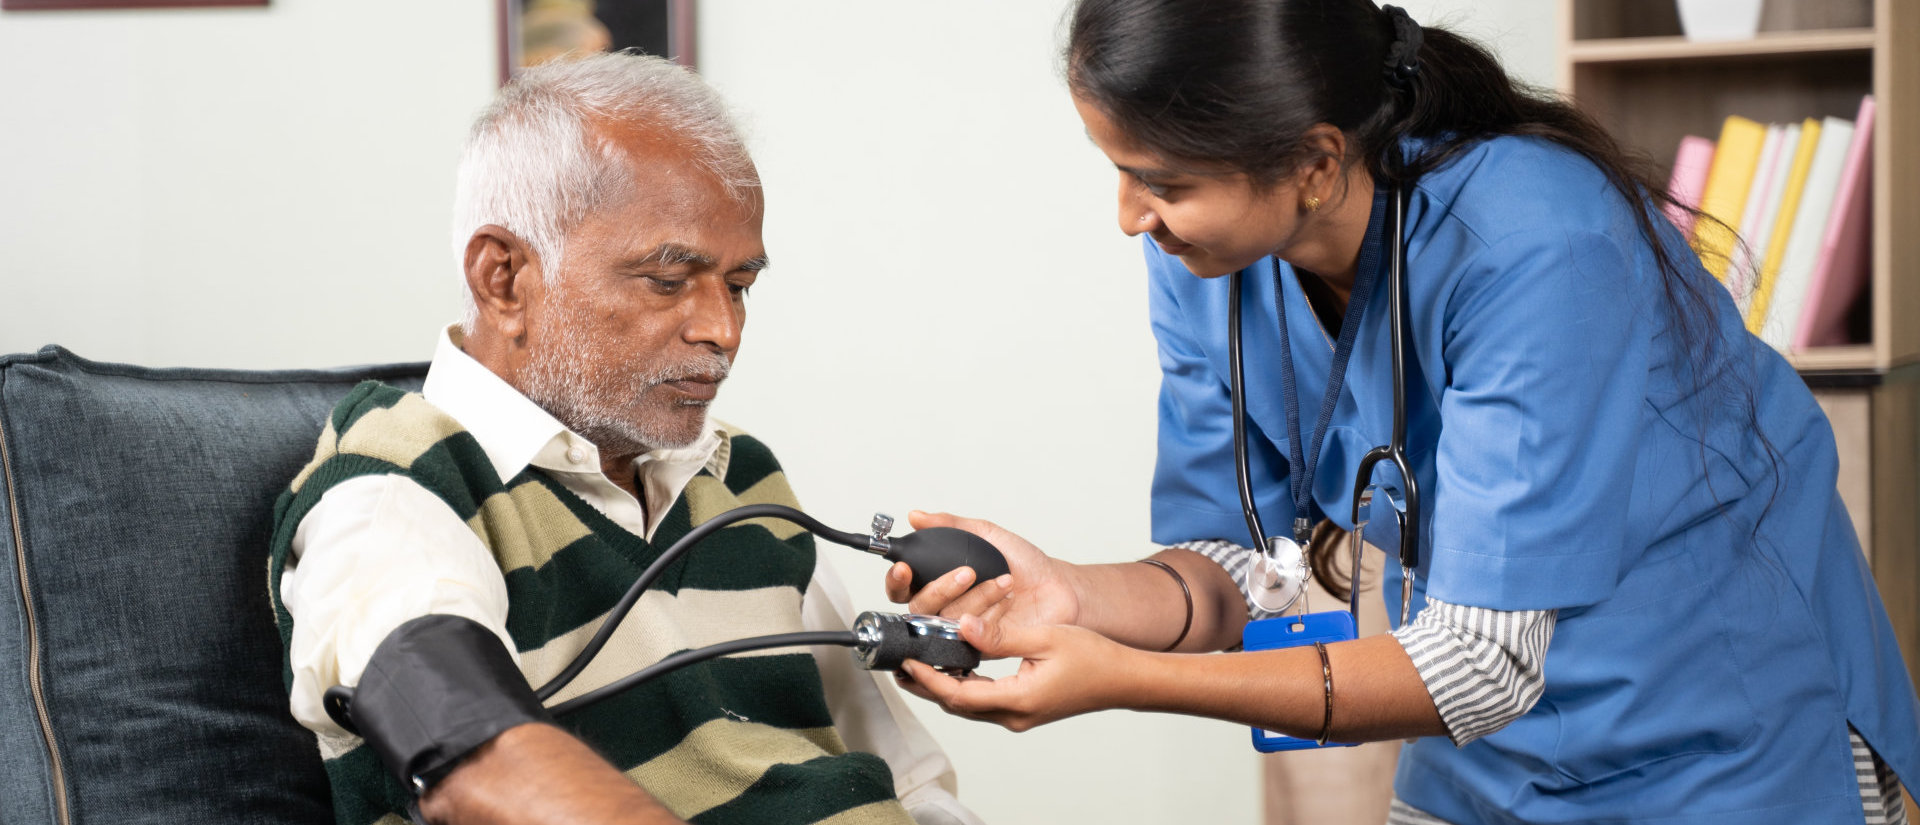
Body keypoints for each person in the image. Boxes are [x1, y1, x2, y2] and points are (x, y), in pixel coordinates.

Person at [887, 2, 1920, 823]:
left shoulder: (1533, 240)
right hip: (1491, 758)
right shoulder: (1209, 260)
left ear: (1316, 164)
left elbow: (1481, 662)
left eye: (1162, 181)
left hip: (1725, 739)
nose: (1129, 217)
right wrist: (1066, 594)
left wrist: (1122, 681)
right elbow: (1244, 562)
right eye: (1119, 170)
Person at [267, 52, 981, 825]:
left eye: (739, 286)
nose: (724, 330)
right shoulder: (394, 489)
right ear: (502, 278)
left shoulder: (740, 477)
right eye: (668, 281)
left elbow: (908, 784)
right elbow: (476, 758)